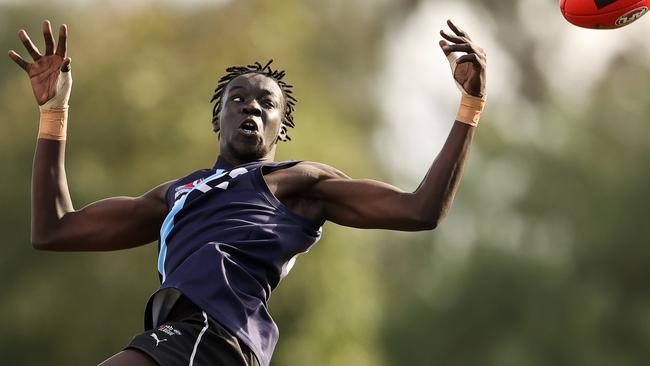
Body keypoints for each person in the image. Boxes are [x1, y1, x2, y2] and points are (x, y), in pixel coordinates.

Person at [8, 18, 487, 366]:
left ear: (284, 125)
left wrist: (470, 105)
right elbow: (54, 230)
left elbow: (420, 210)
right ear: (218, 118)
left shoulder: (301, 182)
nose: (250, 108)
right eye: (237, 99)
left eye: (266, 102)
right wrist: (54, 113)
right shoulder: (177, 194)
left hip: (213, 336)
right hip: (191, 342)